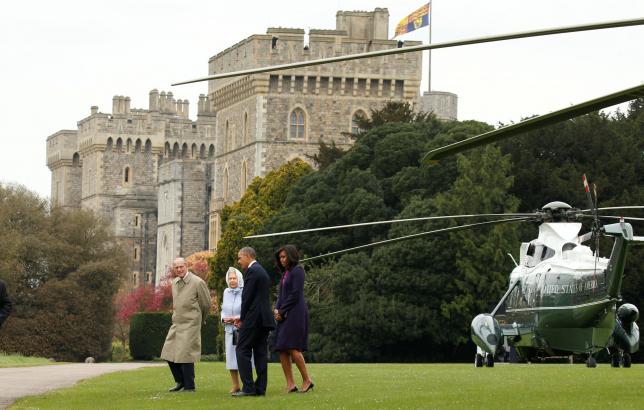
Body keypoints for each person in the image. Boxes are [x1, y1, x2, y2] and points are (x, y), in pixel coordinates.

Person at [160, 257, 211, 393]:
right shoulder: (175, 282)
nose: (179, 269)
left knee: (186, 354)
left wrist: (200, 319)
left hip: (191, 324)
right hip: (176, 323)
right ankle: (180, 382)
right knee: (168, 352)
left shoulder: (197, 282)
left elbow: (206, 304)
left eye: (181, 266)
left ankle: (190, 386)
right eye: (176, 267)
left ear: (186, 266)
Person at [232, 246, 275, 397]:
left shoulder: (252, 271)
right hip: (264, 319)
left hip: (253, 319)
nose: (238, 261)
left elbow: (247, 298)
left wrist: (242, 319)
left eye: (239, 258)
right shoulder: (261, 270)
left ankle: (248, 388)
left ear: (248, 256)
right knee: (260, 353)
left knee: (241, 349)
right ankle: (260, 388)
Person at [273, 245, 314, 393]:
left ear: (291, 256)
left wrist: (282, 311)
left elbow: (295, 294)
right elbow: (282, 295)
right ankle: (290, 384)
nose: (282, 260)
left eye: (284, 257)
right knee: (282, 348)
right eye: (280, 257)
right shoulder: (286, 273)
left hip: (295, 312)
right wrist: (277, 310)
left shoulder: (298, 271)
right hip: (284, 313)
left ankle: (307, 380)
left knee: (292, 346)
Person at [220, 267, 251, 394]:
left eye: (234, 278)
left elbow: (247, 310)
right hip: (229, 330)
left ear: (239, 279)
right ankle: (235, 385)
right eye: (230, 278)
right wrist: (223, 319)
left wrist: (236, 318)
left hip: (241, 329)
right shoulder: (226, 292)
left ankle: (247, 384)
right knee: (231, 358)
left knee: (242, 358)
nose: (232, 281)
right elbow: (223, 308)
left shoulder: (245, 291)